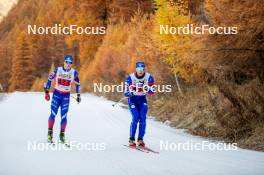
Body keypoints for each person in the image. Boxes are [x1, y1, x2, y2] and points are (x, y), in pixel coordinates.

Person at [44, 55, 81, 143]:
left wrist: (78, 95)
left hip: (66, 96)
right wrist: (46, 92)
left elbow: (78, 84)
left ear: (72, 64)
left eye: (70, 63)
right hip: (56, 94)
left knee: (63, 116)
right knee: (53, 114)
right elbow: (49, 79)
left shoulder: (74, 73)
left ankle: (62, 136)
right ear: (64, 62)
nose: (68, 64)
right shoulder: (57, 70)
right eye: (66, 62)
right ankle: (49, 134)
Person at [124, 61, 155, 147]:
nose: (140, 71)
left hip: (142, 100)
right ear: (136, 69)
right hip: (133, 100)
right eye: (138, 69)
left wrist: (141, 89)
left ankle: (140, 139)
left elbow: (152, 91)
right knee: (135, 117)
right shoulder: (130, 77)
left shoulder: (149, 77)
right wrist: (129, 93)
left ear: (144, 69)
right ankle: (131, 139)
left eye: (142, 69)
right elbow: (126, 92)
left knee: (143, 118)